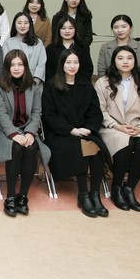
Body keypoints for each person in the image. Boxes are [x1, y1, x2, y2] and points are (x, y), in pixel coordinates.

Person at [42, 49, 110, 218]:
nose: (72, 66)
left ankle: (95, 194)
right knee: (80, 148)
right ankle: (83, 194)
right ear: (62, 64)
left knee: (97, 150)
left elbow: (95, 112)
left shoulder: (86, 85)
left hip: (85, 130)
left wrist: (89, 128)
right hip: (61, 133)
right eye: (68, 62)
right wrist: (71, 130)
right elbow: (49, 115)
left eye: (76, 62)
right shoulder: (51, 86)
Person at [94, 45, 140, 213]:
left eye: (129, 58)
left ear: (135, 61)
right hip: (111, 127)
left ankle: (129, 188)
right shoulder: (103, 82)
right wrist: (117, 126)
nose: (125, 62)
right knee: (125, 143)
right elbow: (99, 110)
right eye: (120, 58)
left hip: (138, 127)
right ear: (114, 61)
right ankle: (117, 187)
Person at [0, 49, 51, 217]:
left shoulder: (34, 86)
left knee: (31, 148)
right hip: (3, 131)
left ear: (25, 66)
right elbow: (1, 114)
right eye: (12, 65)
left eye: (20, 64)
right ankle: (10, 195)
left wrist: (30, 133)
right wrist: (14, 135)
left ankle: (23, 196)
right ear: (7, 67)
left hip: (27, 128)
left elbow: (37, 112)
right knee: (15, 148)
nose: (16, 68)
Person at [45, 15, 93, 82]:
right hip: (56, 84)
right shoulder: (51, 49)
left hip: (79, 84)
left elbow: (88, 69)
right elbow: (48, 71)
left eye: (70, 28)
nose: (67, 31)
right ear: (59, 30)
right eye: (63, 28)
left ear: (75, 30)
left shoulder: (83, 48)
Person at [2, 12, 47, 83]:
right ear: (14, 25)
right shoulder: (8, 43)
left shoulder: (38, 43)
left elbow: (41, 64)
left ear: (30, 25)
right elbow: (6, 64)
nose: (22, 26)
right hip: (12, 83)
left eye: (26, 23)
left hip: (34, 82)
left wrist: (35, 81)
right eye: (19, 23)